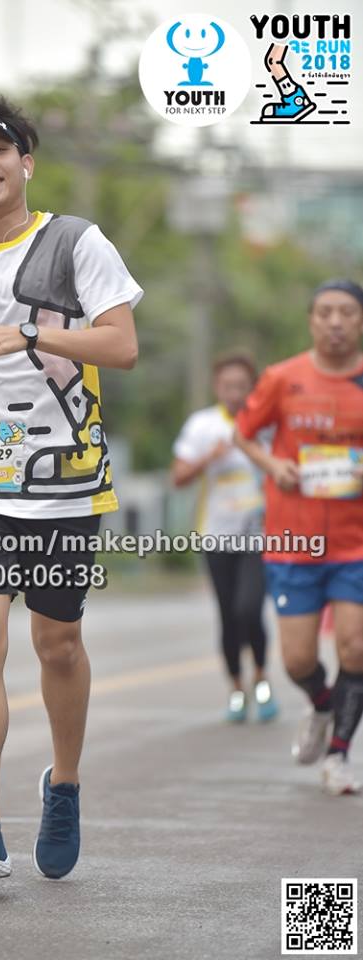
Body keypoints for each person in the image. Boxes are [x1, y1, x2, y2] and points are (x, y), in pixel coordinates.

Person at [0, 94, 142, 883]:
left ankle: (63, 785)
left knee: (57, 643)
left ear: (25, 164)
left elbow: (121, 346)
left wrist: (30, 333)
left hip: (64, 479)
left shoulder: (75, 241)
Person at [235, 279, 363, 796]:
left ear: (360, 321)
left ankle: (339, 756)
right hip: (294, 542)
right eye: (325, 312)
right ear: (311, 320)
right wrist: (273, 464)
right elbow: (244, 433)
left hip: (356, 544)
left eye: (347, 312)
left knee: (356, 647)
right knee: (298, 661)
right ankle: (321, 704)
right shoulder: (282, 378)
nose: (336, 322)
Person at [171, 350, 278, 723]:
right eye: (227, 386)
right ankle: (236, 689)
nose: (234, 393)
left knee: (249, 608)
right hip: (216, 536)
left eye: (241, 386)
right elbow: (178, 477)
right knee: (228, 615)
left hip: (259, 536)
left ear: (253, 388)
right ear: (217, 387)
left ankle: (261, 678)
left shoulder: (267, 425)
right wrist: (209, 458)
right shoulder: (203, 426)